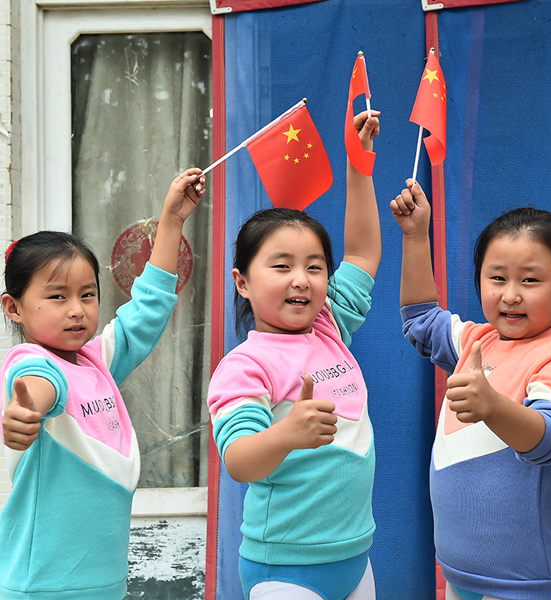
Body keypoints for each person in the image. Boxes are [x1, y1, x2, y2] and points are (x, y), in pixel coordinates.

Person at [0, 168, 206, 599]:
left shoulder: (97, 361)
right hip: (43, 587)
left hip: (103, 584)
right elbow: (38, 387)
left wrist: (171, 220)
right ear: (14, 308)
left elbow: (147, 309)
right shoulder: (33, 362)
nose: (76, 309)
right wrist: (24, 413)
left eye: (87, 294)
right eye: (57, 296)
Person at [206, 111, 381, 600]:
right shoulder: (244, 367)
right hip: (284, 566)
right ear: (242, 281)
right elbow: (239, 461)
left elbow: (363, 254)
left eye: (315, 267)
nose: (301, 280)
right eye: (281, 266)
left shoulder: (328, 324)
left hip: (355, 558)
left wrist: (359, 163)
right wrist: (287, 433)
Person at [392, 181, 551, 600]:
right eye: (497, 278)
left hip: (525, 584)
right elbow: (421, 321)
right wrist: (415, 236)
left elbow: (550, 440)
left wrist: (492, 407)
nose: (511, 295)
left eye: (530, 280)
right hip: (459, 574)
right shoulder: (475, 340)